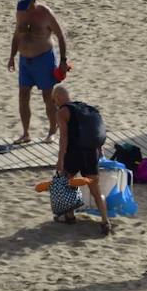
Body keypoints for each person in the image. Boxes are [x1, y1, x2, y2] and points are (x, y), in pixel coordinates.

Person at [9, 0, 67, 144]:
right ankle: (26, 133)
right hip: (25, 61)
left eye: (27, 6)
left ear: (34, 2)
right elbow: (16, 36)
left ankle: (52, 131)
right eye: (22, 7)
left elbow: (61, 37)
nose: (24, 10)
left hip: (44, 59)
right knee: (23, 95)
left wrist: (63, 60)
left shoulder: (45, 14)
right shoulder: (21, 12)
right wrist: (12, 56)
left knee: (48, 97)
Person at [51, 86, 110, 235]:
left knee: (66, 182)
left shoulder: (62, 112)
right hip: (91, 152)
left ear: (57, 98)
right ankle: (105, 221)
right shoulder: (85, 108)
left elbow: (63, 137)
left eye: (54, 100)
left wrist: (60, 159)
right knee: (95, 190)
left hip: (74, 153)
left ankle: (69, 216)